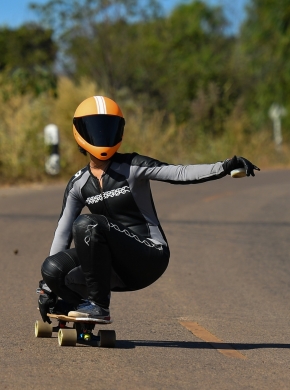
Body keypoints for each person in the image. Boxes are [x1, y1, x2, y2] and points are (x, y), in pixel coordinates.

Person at [37, 95, 260, 322]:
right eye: (94, 128)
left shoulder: (133, 166)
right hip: (112, 269)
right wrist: (47, 287)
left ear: (119, 131)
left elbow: (180, 173)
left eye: (108, 128)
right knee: (52, 268)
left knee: (88, 223)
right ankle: (77, 306)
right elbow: (62, 233)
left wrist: (225, 166)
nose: (101, 135)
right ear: (79, 133)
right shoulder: (78, 184)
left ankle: (99, 306)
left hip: (149, 257)